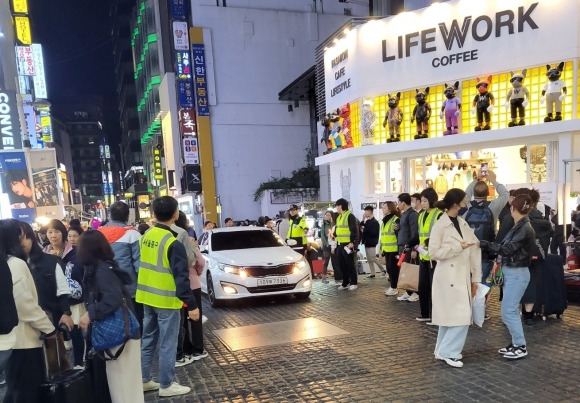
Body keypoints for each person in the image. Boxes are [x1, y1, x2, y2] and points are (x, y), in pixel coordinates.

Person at [137, 196, 199, 397]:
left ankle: (144, 380)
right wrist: (192, 305)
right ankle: (166, 384)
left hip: (147, 297)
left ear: (153, 214)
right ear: (176, 214)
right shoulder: (173, 243)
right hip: (166, 300)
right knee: (168, 343)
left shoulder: (145, 237)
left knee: (148, 340)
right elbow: (182, 279)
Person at [77, 230, 144, 403]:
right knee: (127, 385)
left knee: (122, 385)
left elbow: (112, 299)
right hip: (122, 333)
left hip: (119, 335)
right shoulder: (105, 267)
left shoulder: (101, 271)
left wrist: (90, 314)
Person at [0, 219, 57, 402]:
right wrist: (48, 328)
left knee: (16, 391)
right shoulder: (15, 264)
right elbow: (24, 304)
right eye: (23, 235)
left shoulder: (6, 263)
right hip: (23, 341)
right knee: (27, 393)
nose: (27, 240)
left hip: (11, 341)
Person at [429, 189, 481, 368]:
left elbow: (475, 249)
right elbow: (433, 253)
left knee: (451, 317)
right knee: (460, 317)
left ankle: (441, 350)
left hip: (462, 276)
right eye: (464, 201)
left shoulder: (463, 223)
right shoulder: (440, 225)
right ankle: (448, 352)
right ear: (455, 204)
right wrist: (457, 248)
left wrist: (476, 279)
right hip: (447, 277)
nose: (466, 203)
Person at [480, 194, 535, 360]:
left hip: (517, 273)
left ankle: (520, 345)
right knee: (509, 311)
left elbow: (508, 248)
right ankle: (516, 343)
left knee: (508, 311)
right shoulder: (520, 226)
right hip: (513, 271)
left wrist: (484, 243)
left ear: (513, 208)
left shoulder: (524, 228)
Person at [19, 221, 73, 375]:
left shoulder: (51, 261)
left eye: (22, 237)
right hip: (23, 327)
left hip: (50, 323)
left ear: (32, 238)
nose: (20, 243)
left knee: (55, 363)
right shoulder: (12, 263)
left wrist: (66, 312)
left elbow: (62, 290)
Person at [42, 219, 86, 369]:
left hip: (71, 299)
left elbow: (79, 273)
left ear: (63, 233)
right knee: (54, 333)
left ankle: (79, 362)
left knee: (75, 331)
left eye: (56, 231)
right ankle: (58, 366)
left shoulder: (73, 252)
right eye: (50, 232)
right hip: (51, 300)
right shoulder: (44, 253)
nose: (53, 235)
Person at [98, 201, 144, 329]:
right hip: (130, 289)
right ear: (127, 216)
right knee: (134, 323)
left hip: (104, 287)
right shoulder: (133, 235)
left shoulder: (98, 234)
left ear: (110, 215)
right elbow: (138, 265)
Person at [173, 212, 208, 367]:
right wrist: (196, 274)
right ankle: (198, 350)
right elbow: (200, 262)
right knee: (195, 317)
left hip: (174, 286)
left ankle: (185, 349)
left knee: (181, 320)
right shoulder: (189, 240)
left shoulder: (167, 238)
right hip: (192, 284)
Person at [464, 169, 510, 283]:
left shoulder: (468, 206)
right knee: (482, 284)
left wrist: (477, 179)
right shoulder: (493, 207)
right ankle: (481, 300)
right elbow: (505, 194)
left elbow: (466, 194)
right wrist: (493, 180)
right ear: (488, 193)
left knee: (468, 284)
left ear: (474, 193)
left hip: (469, 251)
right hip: (486, 251)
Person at [415, 188, 442, 322]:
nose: (423, 203)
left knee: (435, 288)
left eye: (425, 201)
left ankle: (435, 315)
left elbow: (441, 235)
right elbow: (419, 234)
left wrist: (428, 242)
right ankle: (425, 313)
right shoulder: (420, 215)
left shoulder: (439, 214)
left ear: (432, 200)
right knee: (423, 286)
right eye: (422, 201)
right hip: (423, 256)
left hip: (435, 257)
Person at [396, 193, 420, 302]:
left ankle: (415, 292)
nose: (397, 205)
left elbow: (415, 233)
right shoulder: (404, 214)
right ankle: (408, 291)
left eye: (398, 202)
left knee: (411, 269)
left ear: (403, 203)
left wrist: (414, 248)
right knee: (404, 269)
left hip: (409, 247)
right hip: (402, 246)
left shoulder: (413, 214)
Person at [334, 198, 360, 291]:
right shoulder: (339, 217)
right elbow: (338, 230)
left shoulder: (350, 216)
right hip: (340, 244)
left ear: (340, 206)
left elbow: (354, 230)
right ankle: (345, 283)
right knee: (342, 264)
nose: (336, 208)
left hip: (347, 245)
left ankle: (354, 282)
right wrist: (333, 235)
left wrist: (352, 242)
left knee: (350, 264)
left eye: (337, 206)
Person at [360, 205, 385, 279]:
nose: (365, 213)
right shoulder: (367, 221)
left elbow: (373, 233)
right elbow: (361, 225)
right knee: (369, 259)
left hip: (372, 243)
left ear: (370, 212)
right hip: (366, 242)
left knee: (373, 258)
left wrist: (365, 229)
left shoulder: (375, 222)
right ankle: (372, 273)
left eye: (366, 212)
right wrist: (363, 219)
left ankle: (383, 270)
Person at [382, 201, 401, 296]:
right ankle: (393, 286)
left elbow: (398, 236)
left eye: (384, 208)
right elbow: (384, 236)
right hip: (387, 249)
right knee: (389, 269)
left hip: (394, 250)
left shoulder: (396, 219)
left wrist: (399, 250)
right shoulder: (384, 220)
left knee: (393, 269)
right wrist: (382, 249)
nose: (383, 209)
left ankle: (394, 287)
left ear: (390, 209)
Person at [320, 211, 333, 283]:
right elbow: (322, 236)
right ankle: (323, 277)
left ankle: (338, 276)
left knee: (335, 261)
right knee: (326, 261)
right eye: (327, 215)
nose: (328, 216)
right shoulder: (324, 225)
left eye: (329, 215)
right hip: (326, 246)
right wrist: (326, 244)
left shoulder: (333, 224)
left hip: (333, 245)